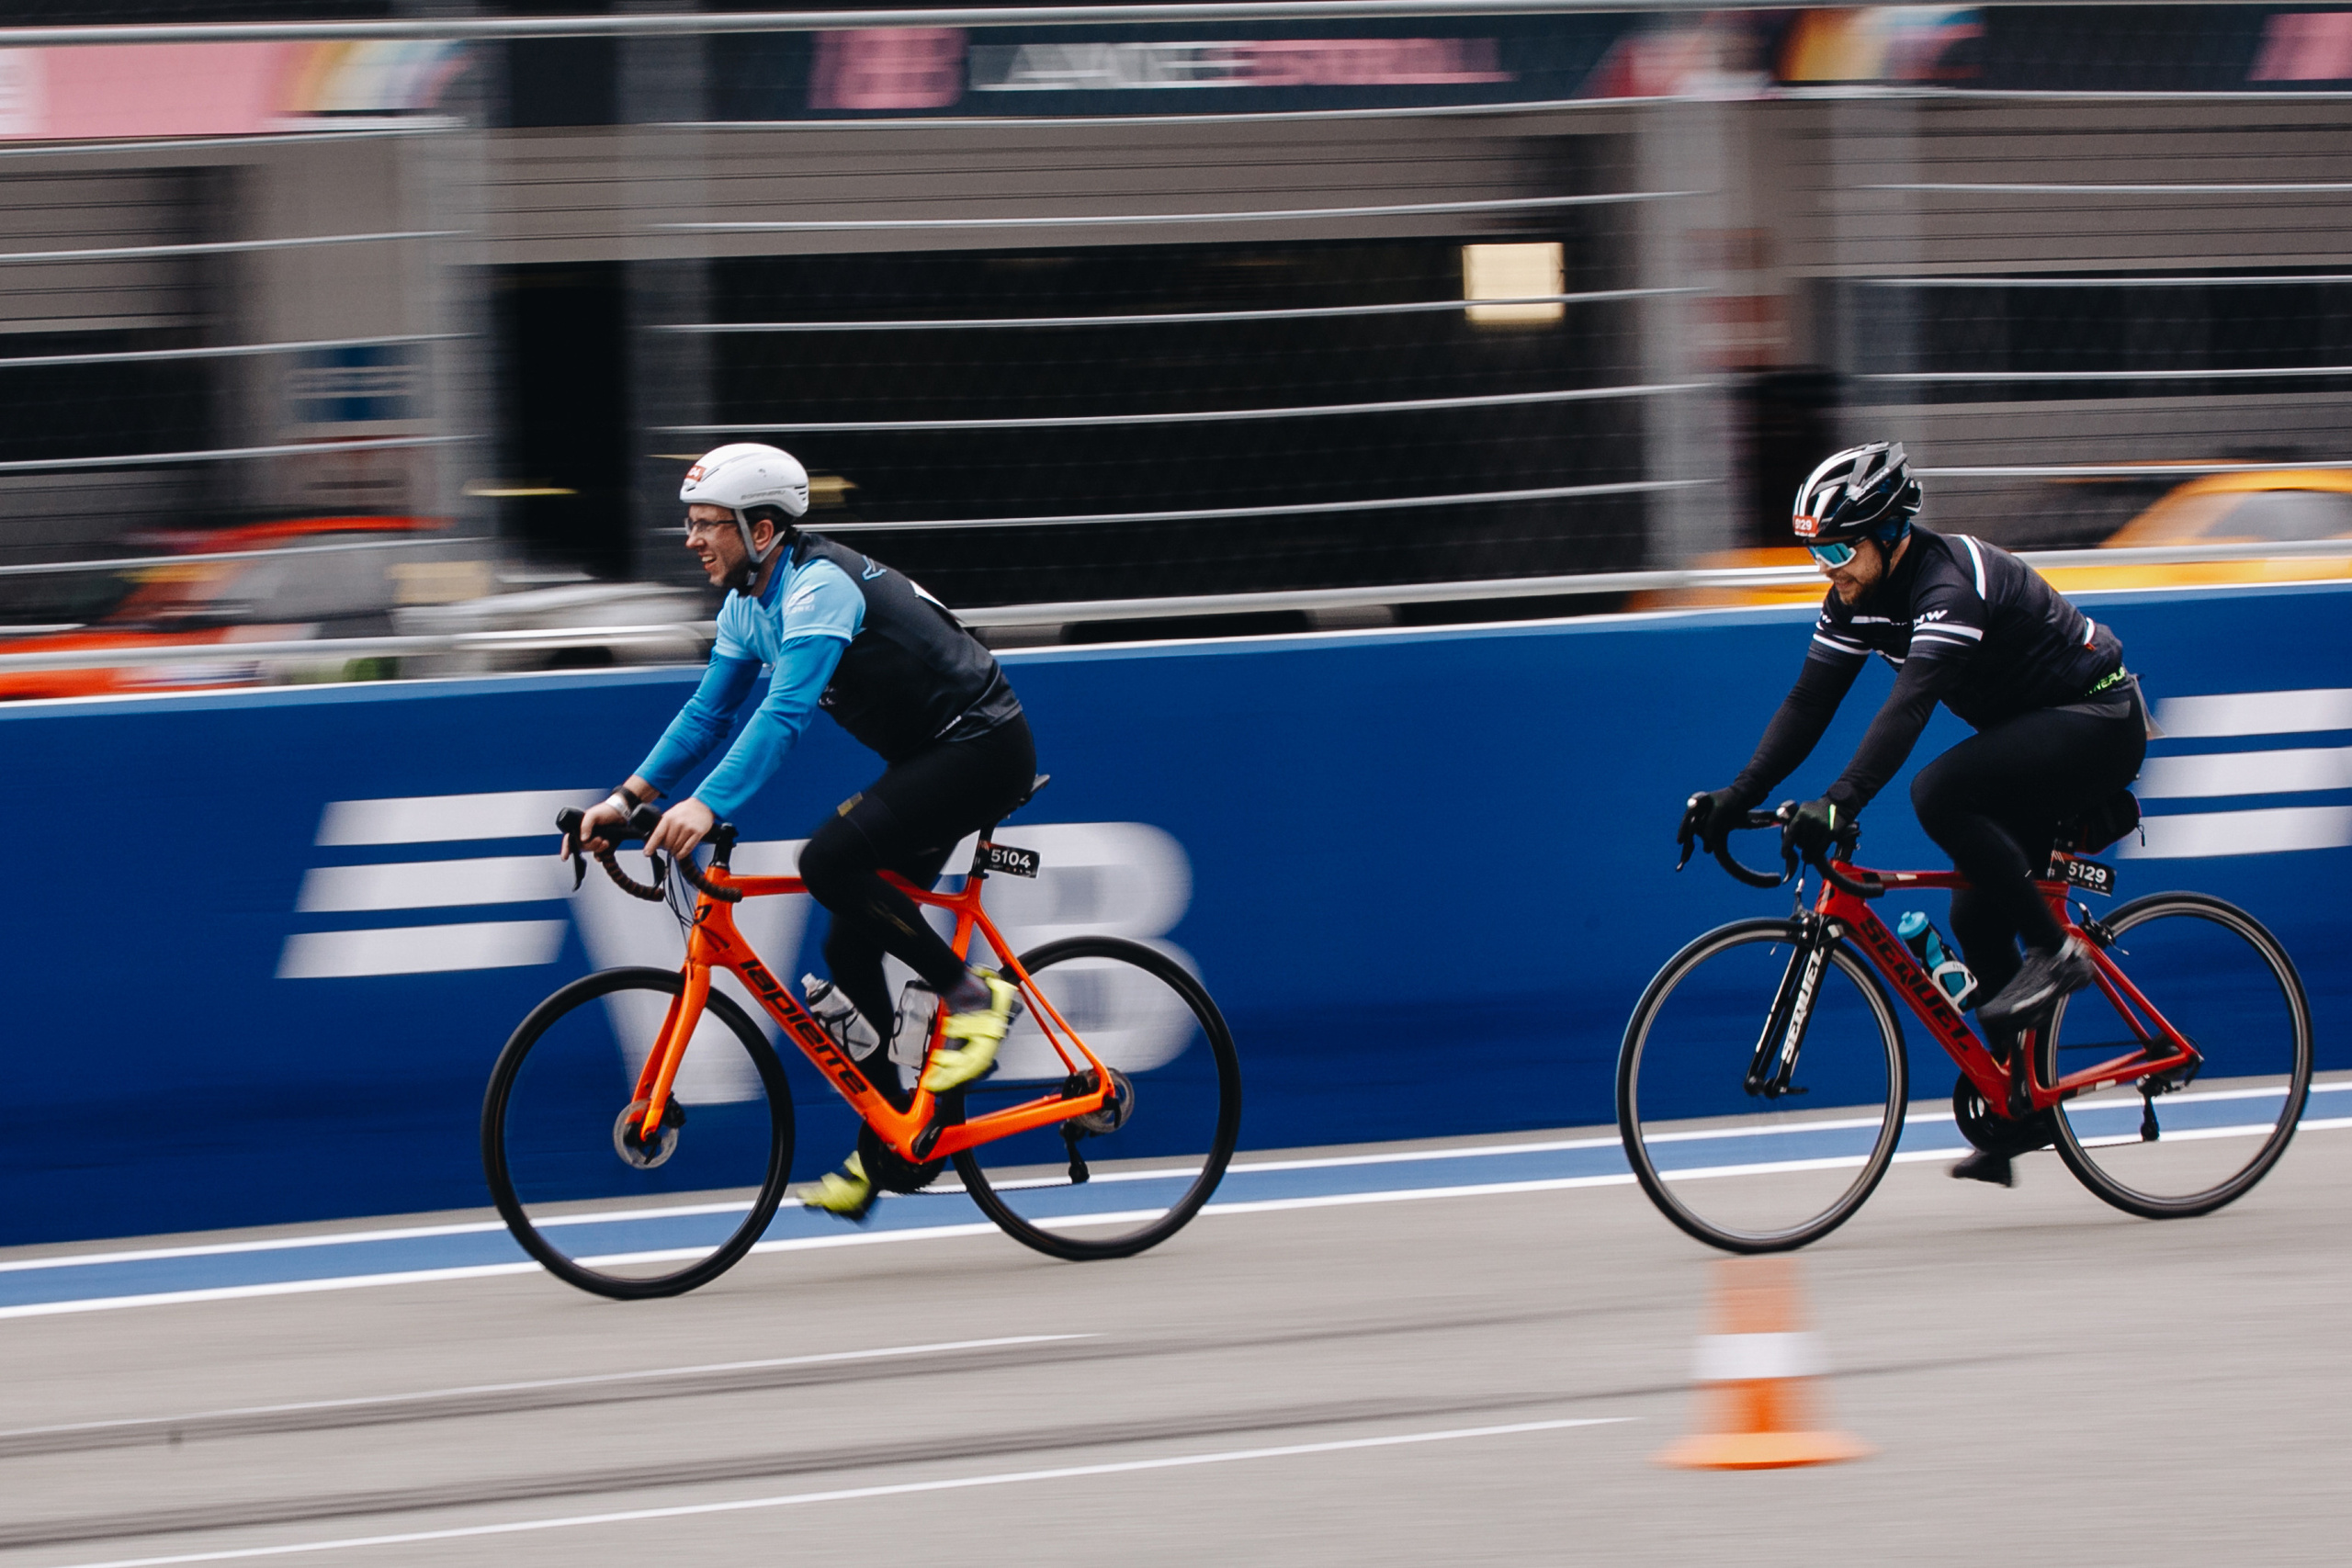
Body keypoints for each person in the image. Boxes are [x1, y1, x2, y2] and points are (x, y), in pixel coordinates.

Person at [570, 442, 1037, 1221]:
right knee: (847, 942)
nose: (692, 541)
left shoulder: (818, 587)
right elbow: (707, 715)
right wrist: (624, 800)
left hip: (981, 748)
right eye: (690, 524)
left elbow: (783, 714)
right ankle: (898, 1140)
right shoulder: (747, 606)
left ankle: (973, 995)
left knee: (828, 861)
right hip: (932, 755)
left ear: (762, 528)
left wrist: (706, 805)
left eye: (707, 525)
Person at [1680, 441, 2149, 1187]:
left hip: (2097, 719)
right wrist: (1736, 796)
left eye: (1837, 547)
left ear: (1890, 534)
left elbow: (1910, 706)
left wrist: (1839, 803)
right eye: (1814, 551)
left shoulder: (1948, 587)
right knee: (1972, 918)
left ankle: (2059, 954)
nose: (1826, 568)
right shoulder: (1857, 597)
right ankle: (2020, 1106)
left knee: (1939, 791)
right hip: (2031, 733)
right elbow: (1808, 703)